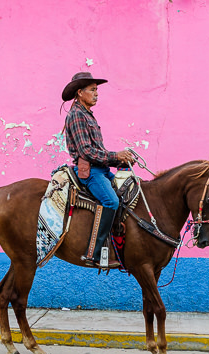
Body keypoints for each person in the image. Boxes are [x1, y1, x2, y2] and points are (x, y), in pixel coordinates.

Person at [61, 71, 135, 266]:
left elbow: (97, 150)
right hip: (90, 172)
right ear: (79, 92)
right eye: (92, 90)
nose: (96, 94)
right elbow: (86, 151)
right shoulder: (77, 115)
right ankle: (93, 253)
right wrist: (115, 156)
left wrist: (121, 160)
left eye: (96, 90)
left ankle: (116, 246)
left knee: (127, 191)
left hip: (100, 170)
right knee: (111, 201)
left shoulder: (87, 115)